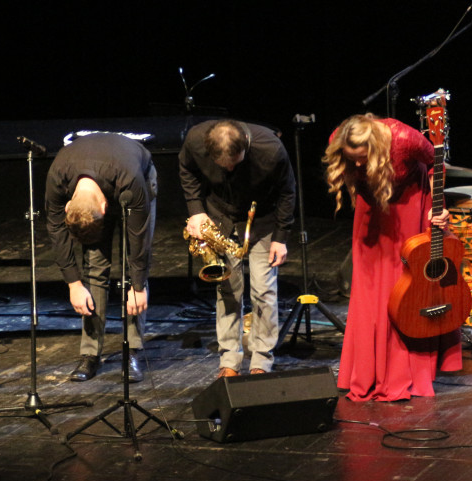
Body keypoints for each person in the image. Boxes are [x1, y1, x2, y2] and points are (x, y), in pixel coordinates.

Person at [324, 113, 460, 402]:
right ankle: (368, 372)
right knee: (369, 288)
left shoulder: (404, 140)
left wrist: (437, 207)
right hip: (371, 208)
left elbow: (436, 162)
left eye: (363, 157)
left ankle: (407, 371)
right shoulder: (339, 138)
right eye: (353, 159)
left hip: (408, 203)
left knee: (405, 286)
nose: (358, 164)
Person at [179, 119, 295, 378]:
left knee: (263, 292)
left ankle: (262, 361)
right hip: (220, 218)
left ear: (246, 146)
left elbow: (288, 192)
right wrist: (196, 212)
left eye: (235, 161)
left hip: (262, 222)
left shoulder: (270, 149)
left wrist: (281, 237)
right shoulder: (195, 141)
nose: (230, 168)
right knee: (227, 290)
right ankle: (229, 360)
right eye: (224, 165)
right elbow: (186, 171)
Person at [45, 133, 157, 383]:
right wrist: (74, 283)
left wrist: (138, 287)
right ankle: (90, 353)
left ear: (105, 209)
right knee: (94, 266)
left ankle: (133, 351)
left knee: (134, 268)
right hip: (101, 178)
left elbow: (139, 243)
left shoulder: (131, 181)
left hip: (136, 176)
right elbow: (55, 230)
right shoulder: (58, 177)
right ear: (67, 204)